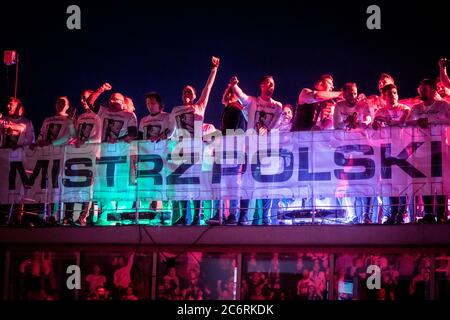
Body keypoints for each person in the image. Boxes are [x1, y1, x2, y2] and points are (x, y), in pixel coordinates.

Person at [170, 56, 220, 225]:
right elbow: (170, 130)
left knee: (196, 183)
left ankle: (197, 216)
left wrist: (214, 69)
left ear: (195, 95)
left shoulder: (199, 106)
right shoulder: (175, 109)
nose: (187, 94)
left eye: (190, 92)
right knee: (184, 184)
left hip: (196, 149)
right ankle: (185, 215)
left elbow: (208, 87)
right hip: (182, 148)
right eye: (184, 92)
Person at [230, 75, 283, 225]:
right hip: (251, 149)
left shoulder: (277, 106)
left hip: (268, 149)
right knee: (248, 181)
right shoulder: (253, 101)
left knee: (266, 182)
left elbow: (274, 125)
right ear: (262, 85)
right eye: (268, 84)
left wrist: (265, 130)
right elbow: (241, 96)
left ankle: (264, 216)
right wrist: (234, 85)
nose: (271, 87)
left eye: (273, 84)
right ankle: (243, 216)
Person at [406, 78, 450, 223]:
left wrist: (431, 122)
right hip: (422, 149)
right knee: (425, 181)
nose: (421, 91)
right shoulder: (416, 108)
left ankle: (441, 213)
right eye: (420, 89)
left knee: (440, 182)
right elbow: (406, 123)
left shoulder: (443, 105)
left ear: (433, 90)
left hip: (439, 148)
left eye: (425, 89)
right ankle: (428, 213)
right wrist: (417, 122)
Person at [139, 92, 174, 224]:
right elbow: (140, 137)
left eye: (152, 103)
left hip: (163, 157)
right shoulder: (143, 120)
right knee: (150, 186)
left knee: (163, 185)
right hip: (148, 158)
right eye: (147, 103)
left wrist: (159, 136)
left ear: (160, 104)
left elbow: (170, 132)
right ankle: (152, 214)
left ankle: (165, 214)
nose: (150, 106)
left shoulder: (167, 117)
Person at [0, 98, 35, 225]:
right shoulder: (3, 120)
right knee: (3, 188)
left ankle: (17, 217)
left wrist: (20, 146)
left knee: (18, 188)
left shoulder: (26, 122)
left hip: (19, 160)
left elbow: (31, 141)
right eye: (7, 103)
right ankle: (4, 216)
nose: (8, 106)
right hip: (3, 161)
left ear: (18, 106)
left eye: (11, 104)